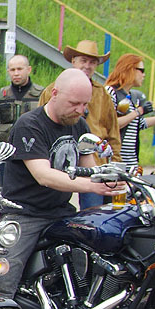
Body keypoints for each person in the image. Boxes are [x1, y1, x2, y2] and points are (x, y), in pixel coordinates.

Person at [0, 69, 124, 295]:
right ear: (54, 93)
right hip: (25, 213)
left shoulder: (79, 124)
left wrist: (113, 179)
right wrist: (92, 186)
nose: (80, 110)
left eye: (84, 104)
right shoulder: (30, 124)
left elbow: (90, 168)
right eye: (74, 103)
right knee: (4, 277)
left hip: (61, 211)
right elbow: (44, 175)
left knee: (96, 252)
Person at [38, 38, 120, 207]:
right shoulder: (54, 90)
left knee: (96, 213)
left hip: (95, 163)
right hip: (60, 162)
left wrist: (115, 164)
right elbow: (40, 123)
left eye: (92, 62)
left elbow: (113, 132)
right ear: (73, 61)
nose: (87, 66)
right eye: (83, 60)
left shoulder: (103, 94)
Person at [108, 53, 155, 169]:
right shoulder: (111, 92)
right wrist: (139, 111)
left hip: (131, 163)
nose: (144, 75)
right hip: (116, 161)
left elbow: (139, 124)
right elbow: (111, 124)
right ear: (129, 69)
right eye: (141, 70)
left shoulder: (130, 96)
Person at [0, 54, 42, 147]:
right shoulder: (1, 95)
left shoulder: (41, 94)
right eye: (12, 70)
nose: (16, 73)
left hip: (33, 148)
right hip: (4, 149)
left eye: (20, 69)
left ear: (29, 70)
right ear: (8, 71)